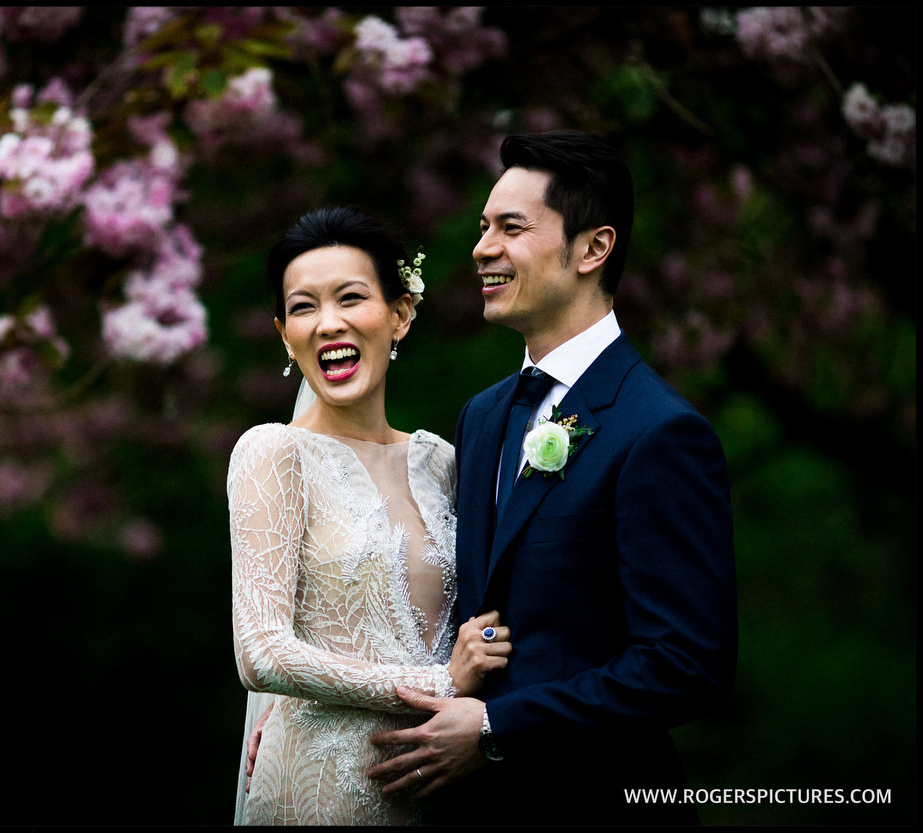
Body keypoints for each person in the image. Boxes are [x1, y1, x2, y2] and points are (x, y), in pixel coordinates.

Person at [364, 130, 738, 824]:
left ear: (593, 248)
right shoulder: (483, 417)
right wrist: (308, 714)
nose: (482, 248)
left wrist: (496, 729)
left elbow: (687, 663)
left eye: (511, 227)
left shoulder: (659, 432)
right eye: (482, 228)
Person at [228, 205, 513, 825]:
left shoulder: (441, 460)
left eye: (350, 298)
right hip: (321, 785)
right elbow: (262, 654)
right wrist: (443, 685)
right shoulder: (273, 453)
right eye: (303, 307)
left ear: (400, 314)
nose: (328, 323)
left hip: (448, 782)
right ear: (284, 333)